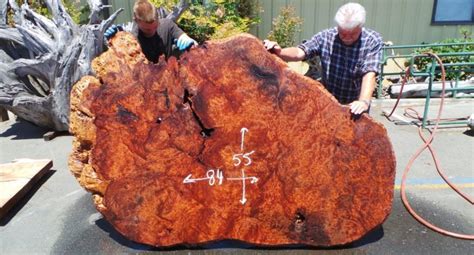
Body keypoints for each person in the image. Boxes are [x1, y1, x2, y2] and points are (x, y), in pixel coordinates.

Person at [264, 2, 383, 115]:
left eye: (352, 34)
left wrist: (363, 101)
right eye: (342, 33)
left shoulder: (372, 40)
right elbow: (300, 52)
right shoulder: (326, 36)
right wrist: (279, 52)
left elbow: (369, 73)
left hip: (356, 104)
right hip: (329, 101)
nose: (346, 38)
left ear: (360, 27)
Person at [104, 0, 197, 63]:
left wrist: (190, 42)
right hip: (144, 82)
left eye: (155, 27)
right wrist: (113, 39)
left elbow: (185, 38)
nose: (152, 31)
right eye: (147, 29)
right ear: (136, 20)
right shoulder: (131, 38)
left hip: (168, 78)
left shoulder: (167, 25)